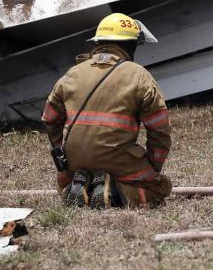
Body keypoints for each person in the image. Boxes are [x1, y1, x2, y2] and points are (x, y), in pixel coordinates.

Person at [41, 13, 172, 208]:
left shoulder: (72, 73)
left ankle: (81, 185)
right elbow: (159, 129)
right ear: (130, 45)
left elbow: (50, 119)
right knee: (159, 190)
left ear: (98, 43)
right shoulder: (138, 76)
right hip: (118, 161)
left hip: (75, 162)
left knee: (68, 181)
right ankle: (112, 193)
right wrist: (152, 170)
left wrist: (63, 158)